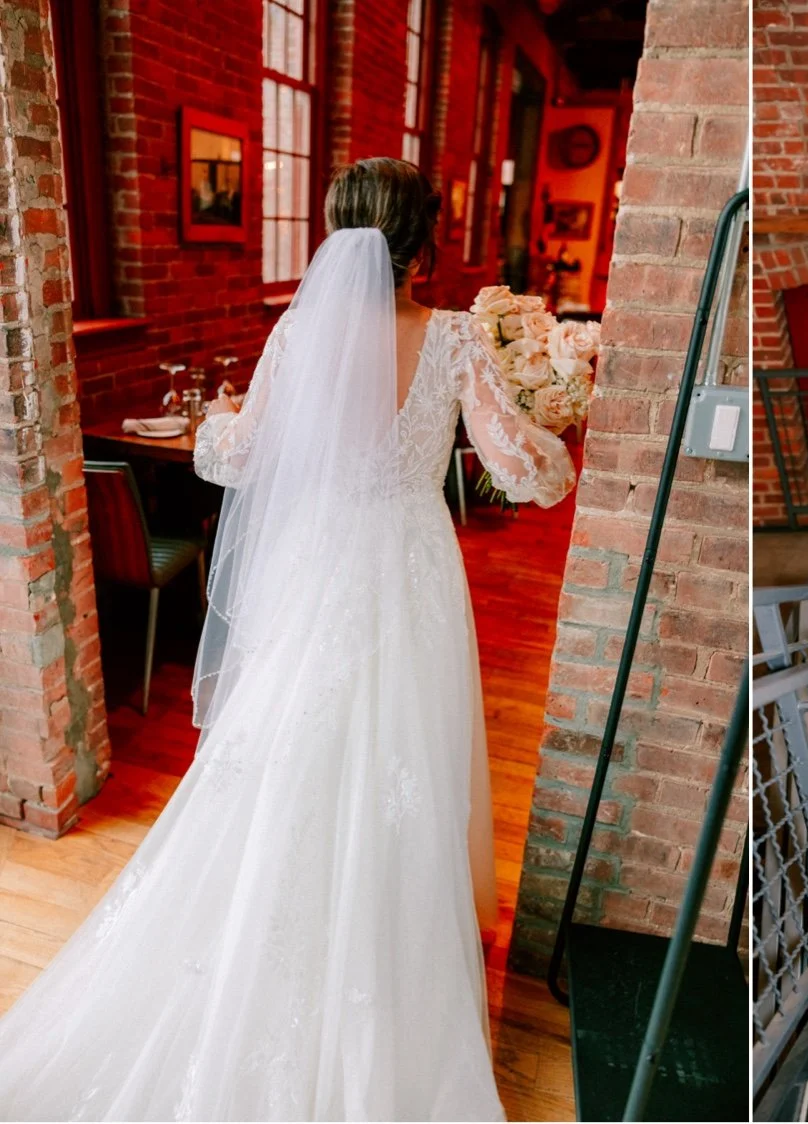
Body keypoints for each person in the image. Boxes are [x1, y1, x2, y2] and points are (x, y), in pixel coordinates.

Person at [0, 157, 576, 1120]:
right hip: (409, 569)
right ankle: (390, 936)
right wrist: (557, 434)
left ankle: (278, 919)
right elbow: (523, 474)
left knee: (291, 745)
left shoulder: (298, 334)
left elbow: (234, 456)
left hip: (317, 565)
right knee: (403, 752)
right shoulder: (452, 338)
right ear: (421, 240)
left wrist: (222, 419)